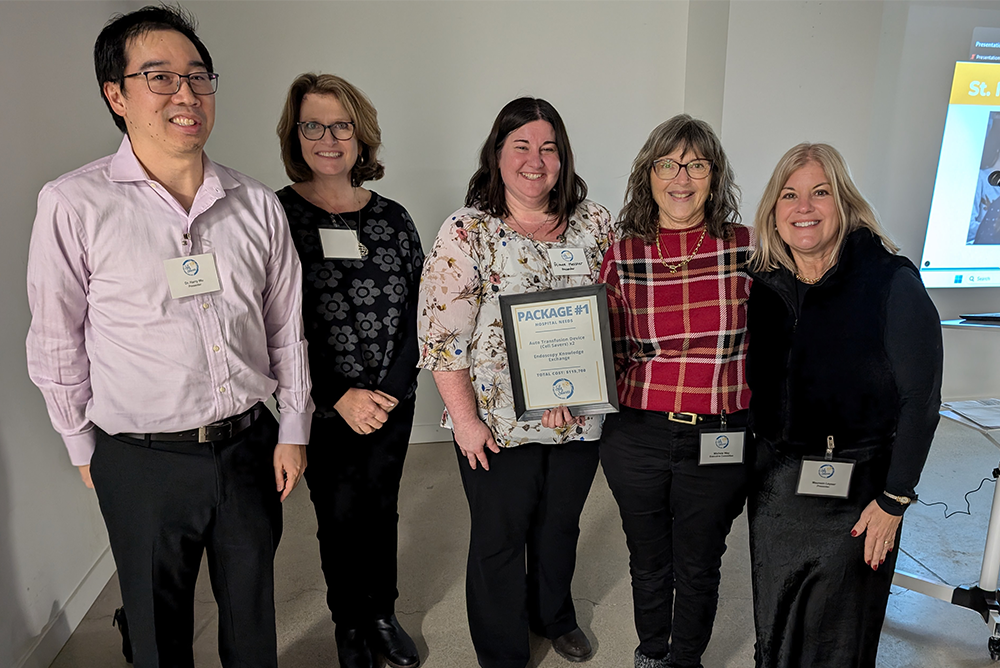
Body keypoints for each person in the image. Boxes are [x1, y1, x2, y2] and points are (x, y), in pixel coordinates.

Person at [25, 6, 313, 667]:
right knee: (157, 629)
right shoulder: (75, 203)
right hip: (140, 458)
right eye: (159, 76)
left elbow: (284, 323)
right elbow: (56, 338)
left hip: (247, 447)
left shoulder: (254, 204)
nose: (186, 94)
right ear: (116, 95)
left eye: (199, 76)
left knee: (251, 617)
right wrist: (80, 443)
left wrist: (292, 428)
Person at [417, 97, 614, 668]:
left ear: (563, 157)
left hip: (580, 416)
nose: (536, 160)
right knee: (500, 538)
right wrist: (466, 421)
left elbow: (615, 314)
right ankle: (503, 649)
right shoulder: (466, 231)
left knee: (560, 525)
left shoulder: (596, 223)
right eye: (520, 146)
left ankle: (554, 616)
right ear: (497, 155)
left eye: (548, 147)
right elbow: (441, 336)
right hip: (496, 423)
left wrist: (582, 392)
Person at [746, 143, 943, 668]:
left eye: (819, 192)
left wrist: (895, 499)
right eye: (789, 195)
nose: (803, 207)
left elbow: (921, 401)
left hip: (860, 496)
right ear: (773, 211)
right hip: (777, 492)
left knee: (839, 639)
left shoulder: (889, 281)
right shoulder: (762, 284)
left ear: (845, 202)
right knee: (778, 628)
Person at [274, 73, 423, 668]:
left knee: (381, 506)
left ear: (361, 137)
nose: (329, 138)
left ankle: (382, 614)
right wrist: (338, 396)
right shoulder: (275, 215)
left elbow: (423, 311)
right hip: (320, 401)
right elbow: (269, 321)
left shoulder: (394, 217)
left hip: (391, 399)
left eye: (342, 125)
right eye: (314, 125)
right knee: (337, 513)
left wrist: (386, 391)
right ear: (297, 134)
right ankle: (349, 623)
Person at [598, 115, 752, 668]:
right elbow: (609, 350)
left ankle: (686, 659)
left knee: (700, 562)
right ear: (649, 174)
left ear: (715, 175)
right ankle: (651, 654)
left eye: (696, 164)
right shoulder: (624, 253)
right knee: (648, 559)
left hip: (719, 436)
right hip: (636, 435)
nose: (680, 177)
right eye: (668, 164)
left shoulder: (747, 249)